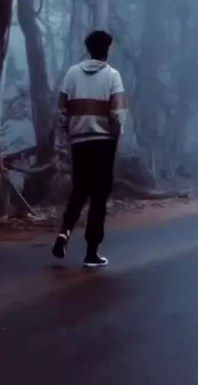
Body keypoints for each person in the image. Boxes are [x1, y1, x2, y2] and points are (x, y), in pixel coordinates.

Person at [52, 30, 126, 268]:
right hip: (104, 142)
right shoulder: (112, 76)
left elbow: (62, 110)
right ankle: (91, 253)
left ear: (88, 48)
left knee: (79, 190)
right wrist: (116, 135)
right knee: (99, 197)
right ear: (107, 49)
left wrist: (68, 131)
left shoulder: (71, 74)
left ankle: (64, 232)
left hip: (79, 142)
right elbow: (117, 114)